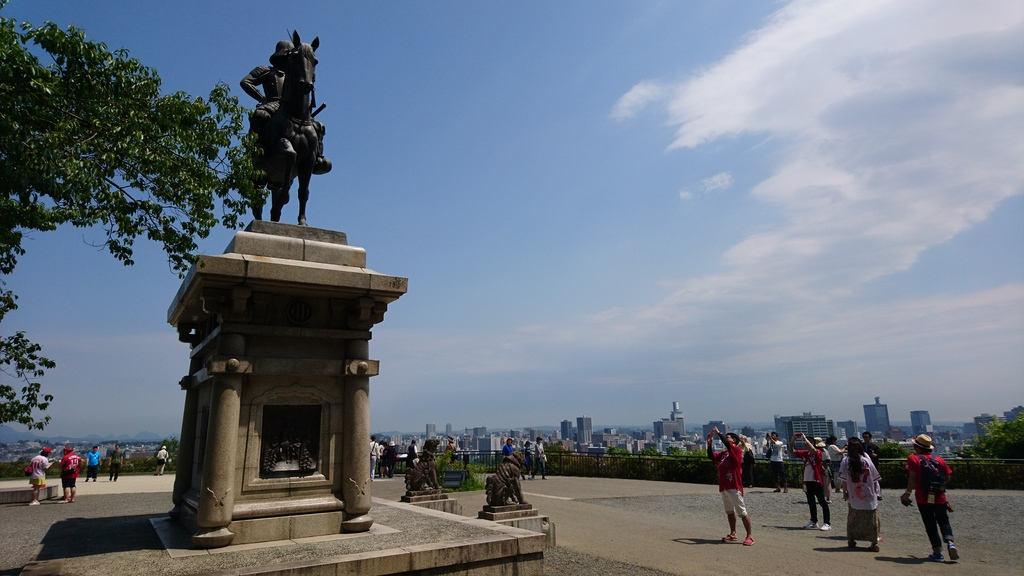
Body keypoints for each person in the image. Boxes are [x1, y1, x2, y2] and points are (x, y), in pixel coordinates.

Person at [240, 40, 330, 175]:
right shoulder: (266, 71)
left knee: (319, 127)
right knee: (259, 116)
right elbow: (246, 82)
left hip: (292, 106)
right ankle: (257, 150)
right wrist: (262, 98)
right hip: (272, 103)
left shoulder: (295, 74)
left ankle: (317, 158)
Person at [901, 434, 959, 562]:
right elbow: (948, 477)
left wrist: (907, 493)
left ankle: (937, 552)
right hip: (939, 496)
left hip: (923, 497)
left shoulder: (913, 459)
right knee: (943, 520)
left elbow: (913, 478)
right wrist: (938, 488)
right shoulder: (939, 459)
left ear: (917, 446)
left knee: (930, 523)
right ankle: (950, 543)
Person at [707, 427, 754, 546]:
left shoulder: (737, 451)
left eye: (728, 437)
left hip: (734, 486)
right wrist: (709, 444)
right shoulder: (723, 454)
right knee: (729, 512)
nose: (726, 438)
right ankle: (733, 533)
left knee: (742, 512)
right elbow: (711, 457)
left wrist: (719, 433)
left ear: (734, 440)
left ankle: (749, 536)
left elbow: (727, 444)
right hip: (724, 486)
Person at [839, 437, 881, 551]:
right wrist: (877, 491)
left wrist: (844, 492)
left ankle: (851, 539)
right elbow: (875, 477)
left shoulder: (846, 461)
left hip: (854, 493)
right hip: (869, 493)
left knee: (853, 517)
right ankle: (874, 541)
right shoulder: (866, 460)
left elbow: (843, 480)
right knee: (871, 518)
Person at [791, 433, 831, 530]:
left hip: (816, 480)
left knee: (822, 501)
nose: (806, 443)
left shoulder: (818, 452)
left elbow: (812, 449)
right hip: (807, 480)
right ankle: (814, 521)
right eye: (805, 442)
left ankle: (827, 523)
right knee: (811, 502)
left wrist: (805, 438)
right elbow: (792, 451)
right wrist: (793, 440)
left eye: (808, 442)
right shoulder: (805, 453)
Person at [862, 431, 882, 499]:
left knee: (875, 479)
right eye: (864, 437)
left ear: (870, 438)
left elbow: (879, 455)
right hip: (864, 465)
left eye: (866, 437)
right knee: (865, 479)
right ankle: (867, 493)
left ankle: (878, 494)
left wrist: (874, 455)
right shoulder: (861, 446)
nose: (865, 438)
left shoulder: (874, 446)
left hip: (873, 464)